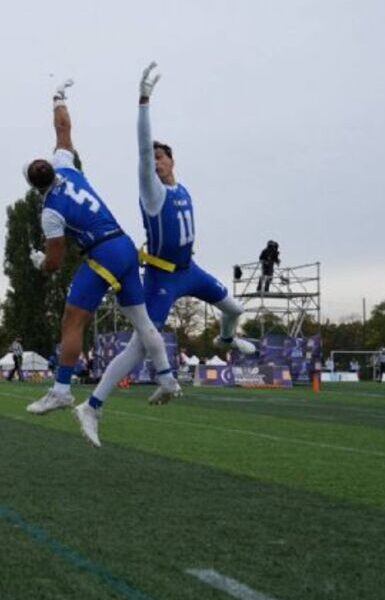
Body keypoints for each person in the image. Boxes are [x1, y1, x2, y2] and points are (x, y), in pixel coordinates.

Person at [79, 63, 256, 446]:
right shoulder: (152, 192)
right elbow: (142, 150)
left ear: (173, 162)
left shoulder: (183, 189)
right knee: (140, 345)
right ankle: (92, 406)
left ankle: (225, 343)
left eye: (161, 157)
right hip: (161, 278)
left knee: (235, 310)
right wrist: (144, 101)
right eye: (152, 158)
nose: (155, 162)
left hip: (189, 270)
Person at [22, 78, 181, 443]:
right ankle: (167, 377)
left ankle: (62, 390)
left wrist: (36, 261)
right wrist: (58, 98)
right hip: (124, 245)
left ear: (33, 187)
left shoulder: (50, 211)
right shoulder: (66, 165)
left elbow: (54, 262)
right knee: (142, 323)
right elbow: (64, 128)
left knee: (72, 320)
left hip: (104, 253)